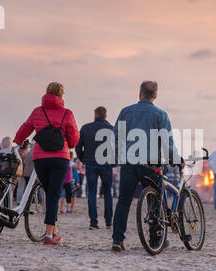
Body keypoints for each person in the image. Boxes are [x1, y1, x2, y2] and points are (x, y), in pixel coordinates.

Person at [111, 81, 181, 252]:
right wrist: (176, 159)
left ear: (139, 93)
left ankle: (117, 240)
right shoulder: (161, 115)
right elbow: (167, 143)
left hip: (129, 162)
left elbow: (116, 137)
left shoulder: (125, 112)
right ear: (155, 95)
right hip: (151, 164)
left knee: (124, 201)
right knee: (154, 200)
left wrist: (120, 157)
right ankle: (156, 239)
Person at [14, 82, 79, 246]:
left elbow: (25, 128)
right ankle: (49, 237)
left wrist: (19, 141)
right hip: (60, 157)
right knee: (54, 195)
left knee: (50, 193)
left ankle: (55, 232)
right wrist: (68, 144)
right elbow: (74, 138)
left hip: (40, 158)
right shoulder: (67, 113)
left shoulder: (38, 111)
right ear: (61, 95)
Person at [75, 106, 114, 229]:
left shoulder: (86, 128)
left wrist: (83, 159)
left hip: (91, 164)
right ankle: (108, 221)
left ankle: (93, 221)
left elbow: (78, 147)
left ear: (95, 114)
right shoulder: (112, 129)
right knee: (108, 192)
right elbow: (118, 148)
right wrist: (114, 162)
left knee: (91, 192)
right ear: (105, 115)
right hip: (106, 164)